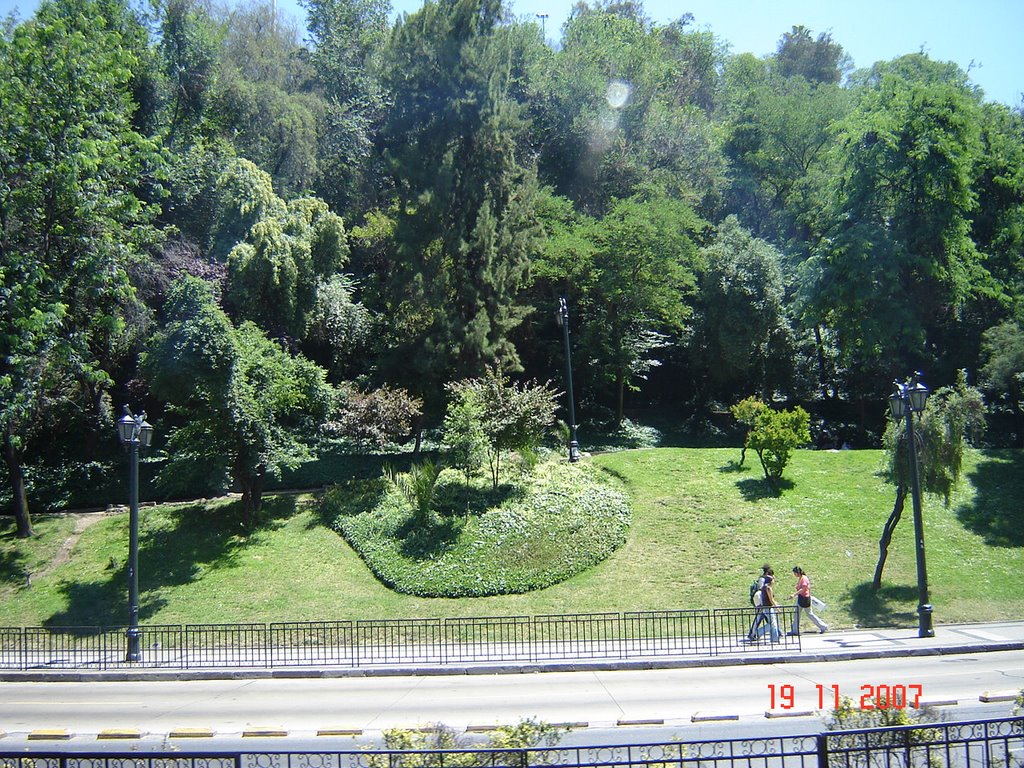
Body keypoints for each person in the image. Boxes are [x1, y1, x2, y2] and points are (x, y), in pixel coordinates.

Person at [789, 566, 828, 635]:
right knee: (806, 614)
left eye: (794, 573)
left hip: (803, 598)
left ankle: (795, 630)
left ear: (797, 573)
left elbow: (803, 589)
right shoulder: (802, 578)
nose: (794, 574)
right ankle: (823, 626)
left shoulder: (804, 578)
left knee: (800, 614)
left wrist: (794, 594)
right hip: (803, 598)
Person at [752, 573, 781, 643]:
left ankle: (775, 638)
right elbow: (771, 599)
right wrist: (777, 608)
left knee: (773, 623)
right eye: (773, 580)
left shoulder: (764, 587)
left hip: (766, 607)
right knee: (771, 623)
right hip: (768, 608)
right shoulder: (768, 588)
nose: (774, 581)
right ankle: (759, 632)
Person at [747, 564, 772, 640]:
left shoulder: (762, 578)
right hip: (760, 598)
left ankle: (777, 631)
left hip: (759, 598)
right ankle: (752, 633)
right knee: (760, 616)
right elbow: (761, 589)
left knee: (765, 616)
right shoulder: (765, 579)